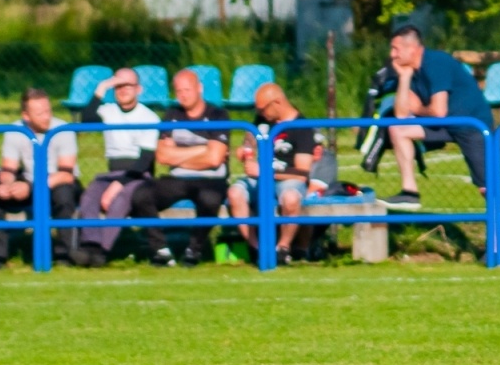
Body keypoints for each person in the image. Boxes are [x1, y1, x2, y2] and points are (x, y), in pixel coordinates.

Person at [372, 26, 493, 209]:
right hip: (445, 124)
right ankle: (409, 193)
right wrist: (404, 78)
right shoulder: (409, 70)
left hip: (471, 125)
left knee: (486, 188)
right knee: (397, 129)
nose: (392, 55)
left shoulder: (436, 62)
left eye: (396, 49)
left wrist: (419, 108)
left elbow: (438, 111)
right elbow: (402, 115)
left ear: (412, 48)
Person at [0, 87, 80, 268]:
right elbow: (8, 169)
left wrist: (30, 187)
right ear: (26, 116)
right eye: (40, 113)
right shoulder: (15, 130)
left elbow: (67, 175)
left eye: (48, 111)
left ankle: (65, 255)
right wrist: (6, 185)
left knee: (64, 194)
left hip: (57, 182)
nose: (46, 116)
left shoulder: (63, 130)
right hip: (29, 182)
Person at [135, 69, 231, 266]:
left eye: (187, 89)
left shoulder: (218, 115)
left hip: (211, 179)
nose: (183, 95)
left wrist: (178, 156)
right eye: (179, 91)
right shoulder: (171, 115)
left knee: (210, 200)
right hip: (178, 178)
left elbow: (214, 159)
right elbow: (162, 156)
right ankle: (160, 250)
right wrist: (203, 149)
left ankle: (194, 249)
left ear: (199, 89)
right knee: (141, 195)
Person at [73, 68, 162, 267]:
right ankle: (90, 246)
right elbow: (85, 120)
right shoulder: (108, 111)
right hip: (112, 172)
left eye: (127, 85)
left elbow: (144, 160)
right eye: (118, 85)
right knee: (89, 196)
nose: (122, 90)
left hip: (138, 174)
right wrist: (101, 88)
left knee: (120, 200)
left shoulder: (149, 118)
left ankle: (102, 252)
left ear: (138, 89)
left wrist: (119, 184)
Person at [227, 83, 317, 265]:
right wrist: (245, 151)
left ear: (277, 102)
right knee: (234, 193)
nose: (260, 113)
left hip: (286, 179)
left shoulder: (302, 127)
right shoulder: (262, 120)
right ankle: (256, 248)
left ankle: (282, 248)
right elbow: (249, 142)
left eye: (262, 109)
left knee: (291, 198)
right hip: (260, 178)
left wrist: (266, 172)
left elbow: (301, 172)